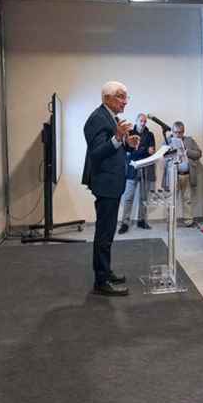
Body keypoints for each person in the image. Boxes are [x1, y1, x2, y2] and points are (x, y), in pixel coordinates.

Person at [82, 81, 139, 296]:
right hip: (105, 183)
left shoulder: (109, 116)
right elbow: (96, 153)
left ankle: (105, 272)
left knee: (107, 231)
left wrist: (126, 144)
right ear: (107, 98)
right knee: (104, 232)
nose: (125, 101)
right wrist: (117, 138)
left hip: (112, 182)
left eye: (126, 97)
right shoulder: (97, 119)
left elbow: (111, 148)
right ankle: (101, 281)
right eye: (121, 97)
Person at [118, 113, 156, 233]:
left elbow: (152, 152)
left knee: (144, 197)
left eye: (145, 121)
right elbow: (129, 152)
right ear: (136, 121)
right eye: (141, 121)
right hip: (132, 169)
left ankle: (142, 221)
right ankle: (125, 223)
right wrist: (144, 149)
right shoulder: (129, 133)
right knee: (128, 197)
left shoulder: (150, 135)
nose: (143, 123)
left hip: (146, 169)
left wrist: (140, 150)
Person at [168, 121, 202, 227]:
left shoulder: (189, 140)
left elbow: (199, 153)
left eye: (180, 132)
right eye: (176, 132)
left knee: (187, 199)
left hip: (187, 174)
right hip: (174, 174)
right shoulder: (168, 141)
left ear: (184, 131)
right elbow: (163, 156)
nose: (178, 135)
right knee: (171, 199)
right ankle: (171, 221)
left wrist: (188, 152)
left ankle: (188, 221)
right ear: (172, 132)